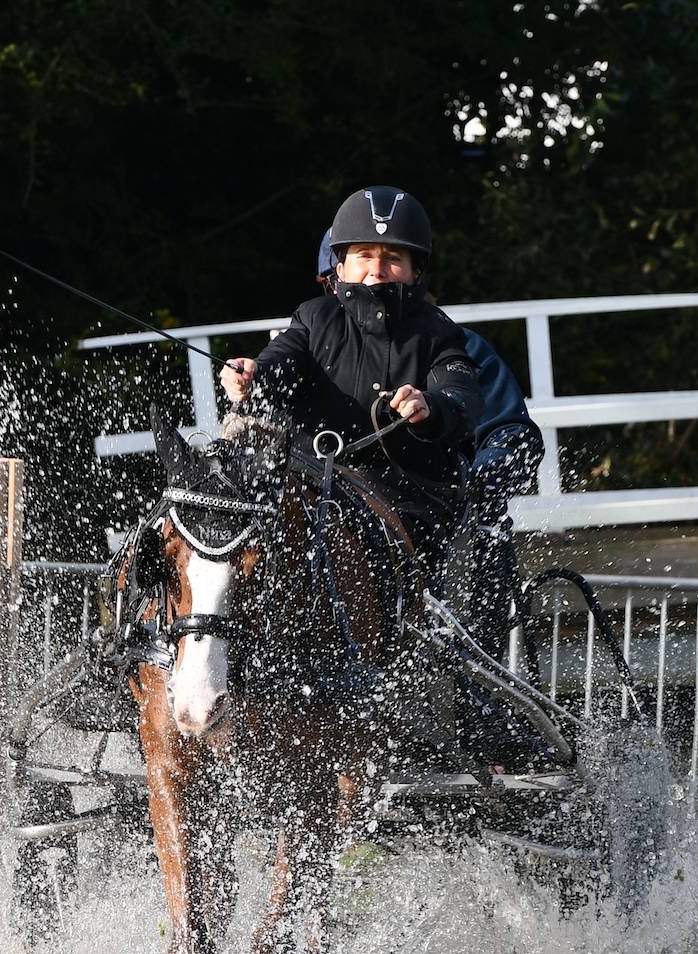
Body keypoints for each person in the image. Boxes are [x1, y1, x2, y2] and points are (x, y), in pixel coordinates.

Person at [220, 186, 543, 640]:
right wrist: (255, 374)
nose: (375, 270)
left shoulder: (443, 337)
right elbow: (282, 363)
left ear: (415, 272)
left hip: (411, 503)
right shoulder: (312, 319)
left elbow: (467, 403)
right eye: (363, 257)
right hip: (317, 490)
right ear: (338, 270)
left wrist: (431, 408)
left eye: (392, 258)